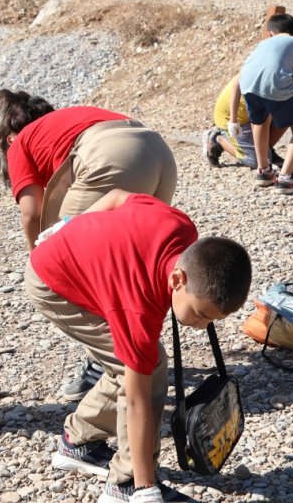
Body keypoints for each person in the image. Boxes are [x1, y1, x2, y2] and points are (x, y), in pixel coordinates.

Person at [25, 190, 251, 503]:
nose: (202, 326)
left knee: (136, 364)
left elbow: (117, 197)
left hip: (84, 262)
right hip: (52, 282)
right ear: (177, 280)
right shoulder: (137, 308)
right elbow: (136, 401)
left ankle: (77, 441)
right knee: (146, 367)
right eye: (200, 314)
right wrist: (146, 487)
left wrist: (70, 226)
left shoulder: (181, 228)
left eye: (213, 320)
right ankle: (126, 486)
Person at [0, 89, 178, 403]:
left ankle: (110, 366)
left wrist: (39, 257)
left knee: (74, 270)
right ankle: (140, 345)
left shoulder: (20, 143)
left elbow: (32, 211)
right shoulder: (66, 123)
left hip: (111, 157)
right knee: (133, 261)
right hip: (158, 152)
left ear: (10, 137)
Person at [231, 13, 293, 194]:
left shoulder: (260, 45)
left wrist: (233, 120)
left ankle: (264, 172)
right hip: (276, 84)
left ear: (269, 33)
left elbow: (238, 80)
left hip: (248, 85)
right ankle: (286, 179)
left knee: (259, 122)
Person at [201, 75, 293, 171]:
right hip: (232, 118)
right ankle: (216, 139)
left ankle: (266, 150)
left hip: (252, 112)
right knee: (256, 161)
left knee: (288, 110)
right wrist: (233, 120)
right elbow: (259, 121)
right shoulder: (261, 79)